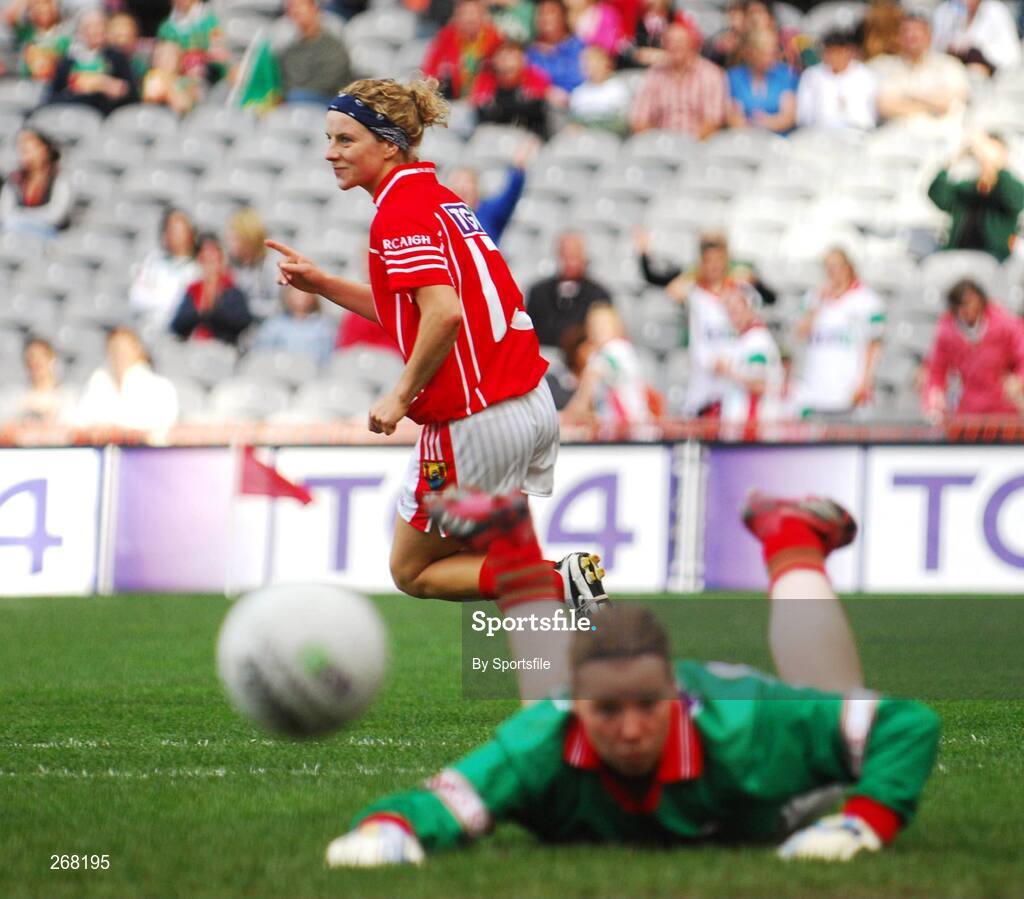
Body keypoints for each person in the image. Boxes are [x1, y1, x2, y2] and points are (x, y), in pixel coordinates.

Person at [324, 486, 940, 867]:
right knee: (539, 729)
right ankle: (514, 545)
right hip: (565, 730)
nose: (630, 729)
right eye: (606, 712)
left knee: (834, 707)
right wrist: (388, 830)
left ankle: (794, 539)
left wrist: (867, 818)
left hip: (778, 783)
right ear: (578, 705)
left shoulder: (750, 725)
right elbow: (438, 807)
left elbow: (906, 723)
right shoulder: (543, 737)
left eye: (650, 705)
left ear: (676, 691)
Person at [264, 77, 607, 617]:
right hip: (528, 402)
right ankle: (571, 670)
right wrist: (324, 283)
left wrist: (399, 398)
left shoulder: (398, 212)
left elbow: (444, 315)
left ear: (389, 144)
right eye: (329, 140)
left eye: (345, 140)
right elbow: (421, 310)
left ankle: (562, 583)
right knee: (499, 559)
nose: (330, 153)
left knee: (413, 570)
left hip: (475, 419)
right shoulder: (443, 200)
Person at [635, 229, 762, 417]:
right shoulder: (694, 291)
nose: (714, 267)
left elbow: (769, 298)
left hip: (736, 379)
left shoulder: (741, 292)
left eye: (719, 261)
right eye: (709, 261)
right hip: (704, 380)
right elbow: (666, 285)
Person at [792, 248, 885, 419]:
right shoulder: (813, 297)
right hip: (816, 388)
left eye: (837, 266)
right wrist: (817, 304)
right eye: (828, 267)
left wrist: (865, 381)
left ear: (848, 267)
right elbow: (799, 333)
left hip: (847, 389)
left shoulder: (867, 300)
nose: (832, 272)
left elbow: (874, 344)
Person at [923, 278, 1024, 419]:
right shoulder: (946, 332)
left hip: (1005, 410)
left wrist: (1019, 380)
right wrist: (935, 395)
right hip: (968, 412)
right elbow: (936, 371)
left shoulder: (1005, 325)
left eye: (971, 302)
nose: (968, 309)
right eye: (962, 305)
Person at [927, 131, 1024, 262]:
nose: (985, 160)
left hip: (993, 261)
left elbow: (1016, 201)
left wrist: (997, 165)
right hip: (958, 259)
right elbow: (937, 194)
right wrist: (955, 159)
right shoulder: (967, 189)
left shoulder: (1010, 187)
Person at [561, 304, 656, 428]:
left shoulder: (616, 349)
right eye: (594, 325)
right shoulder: (598, 355)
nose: (598, 329)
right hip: (615, 425)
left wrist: (566, 418)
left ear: (617, 328)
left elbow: (585, 393)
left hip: (631, 425)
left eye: (605, 325)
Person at [629, 21, 728, 138]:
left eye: (680, 42)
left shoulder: (711, 74)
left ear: (693, 44)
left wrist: (685, 147)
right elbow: (639, 119)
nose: (675, 46)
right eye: (670, 41)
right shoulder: (654, 74)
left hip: (698, 146)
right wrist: (654, 142)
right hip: (661, 143)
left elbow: (713, 121)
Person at [75, 327, 179, 434]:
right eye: (114, 349)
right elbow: (81, 420)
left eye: (125, 348)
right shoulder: (98, 381)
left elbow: (163, 426)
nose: (119, 354)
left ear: (138, 350)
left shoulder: (160, 387)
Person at [871, 11, 968, 125]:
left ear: (929, 36)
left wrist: (908, 99)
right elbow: (885, 106)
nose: (911, 36)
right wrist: (930, 105)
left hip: (941, 129)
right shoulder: (884, 66)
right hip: (897, 131)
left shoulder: (949, 65)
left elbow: (952, 102)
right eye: (905, 31)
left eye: (917, 31)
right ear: (898, 37)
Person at [524, 231, 613, 350]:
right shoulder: (538, 293)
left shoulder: (599, 295)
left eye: (575, 255)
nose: (570, 261)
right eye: (566, 255)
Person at [714, 281, 783, 433]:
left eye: (736, 310)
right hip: (739, 428)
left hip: (751, 429)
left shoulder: (758, 341)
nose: (732, 316)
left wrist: (728, 371)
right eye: (729, 311)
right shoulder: (742, 339)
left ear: (750, 308)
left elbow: (758, 385)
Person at [46, 8, 138, 116]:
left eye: (99, 25)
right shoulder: (69, 61)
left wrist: (104, 84)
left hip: (105, 117)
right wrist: (75, 88)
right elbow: (52, 96)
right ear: (81, 32)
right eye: (89, 27)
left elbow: (131, 94)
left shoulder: (117, 58)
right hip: (70, 113)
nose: (95, 30)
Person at [446, 137, 537, 244]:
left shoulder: (489, 212)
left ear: (476, 189)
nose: (462, 187)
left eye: (467, 182)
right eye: (457, 184)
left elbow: (511, 195)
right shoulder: (443, 218)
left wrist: (518, 168)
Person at [170, 232, 254, 346]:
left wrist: (213, 305)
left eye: (213, 259)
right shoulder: (193, 290)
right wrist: (200, 309)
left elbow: (241, 321)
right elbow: (178, 325)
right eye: (206, 259)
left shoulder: (232, 290)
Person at [129, 207, 200, 332]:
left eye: (180, 230)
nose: (175, 234)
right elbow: (137, 297)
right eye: (171, 229)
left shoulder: (198, 269)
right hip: (148, 329)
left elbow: (181, 306)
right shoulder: (152, 261)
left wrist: (156, 292)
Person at [796, 29, 878, 130]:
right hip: (820, 136)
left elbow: (869, 116)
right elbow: (804, 117)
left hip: (858, 133)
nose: (835, 57)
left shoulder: (866, 75)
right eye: (830, 52)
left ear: (850, 51)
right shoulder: (811, 76)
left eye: (839, 52)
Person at [0, 127, 72, 241]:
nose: (26, 154)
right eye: (23, 149)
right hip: (15, 232)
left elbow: (57, 214)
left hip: (48, 234)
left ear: (45, 148)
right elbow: (5, 212)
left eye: (31, 148)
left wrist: (25, 217)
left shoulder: (59, 178)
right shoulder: (14, 180)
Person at [469, 39, 553, 138]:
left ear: (522, 61)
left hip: (529, 135)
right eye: (502, 57)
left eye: (511, 56)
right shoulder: (486, 80)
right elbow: (475, 102)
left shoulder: (535, 78)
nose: (506, 62)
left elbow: (545, 100)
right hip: (494, 135)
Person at [421, 0, 503, 100]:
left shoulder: (494, 38)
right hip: (452, 98)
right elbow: (431, 67)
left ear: (482, 15)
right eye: (464, 14)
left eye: (473, 13)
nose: (469, 19)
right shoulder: (447, 36)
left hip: (485, 99)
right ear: (457, 17)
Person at [277, 0, 353, 106]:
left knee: (298, 97)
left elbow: (327, 83)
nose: (295, 10)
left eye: (300, 6)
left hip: (330, 102)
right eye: (291, 8)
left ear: (315, 9)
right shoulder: (290, 50)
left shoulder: (334, 46)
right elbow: (284, 81)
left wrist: (295, 93)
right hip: (295, 101)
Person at [252, 284, 336, 367]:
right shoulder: (275, 324)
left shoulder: (323, 325)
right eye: (296, 292)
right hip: (279, 371)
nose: (300, 296)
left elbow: (328, 357)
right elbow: (262, 353)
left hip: (312, 373)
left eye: (304, 293)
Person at [930, 0, 1020, 77]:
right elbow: (936, 46)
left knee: (975, 71)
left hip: (990, 68)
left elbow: (1010, 52)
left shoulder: (996, 11)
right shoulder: (947, 11)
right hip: (954, 67)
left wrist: (975, 46)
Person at [225, 208, 282, 321]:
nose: (230, 243)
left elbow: (277, 307)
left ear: (249, 239)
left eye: (235, 239)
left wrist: (245, 307)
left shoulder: (269, 267)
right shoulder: (228, 266)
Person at [156, 0, 230, 84]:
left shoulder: (210, 21)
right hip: (178, 83)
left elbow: (221, 56)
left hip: (208, 82)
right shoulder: (166, 29)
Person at [7, 337, 77, 424]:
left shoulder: (68, 396)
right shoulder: (18, 398)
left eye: (40, 357)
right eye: (30, 359)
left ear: (51, 359)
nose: (35, 362)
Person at [568, 44, 631, 134]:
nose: (590, 66)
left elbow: (622, 123)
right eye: (586, 62)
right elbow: (573, 123)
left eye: (594, 61)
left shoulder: (619, 89)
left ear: (606, 63)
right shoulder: (578, 93)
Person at [526, 0, 585, 96]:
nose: (545, 18)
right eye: (541, 13)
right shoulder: (531, 53)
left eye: (551, 12)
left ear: (563, 16)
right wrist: (545, 90)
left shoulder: (579, 47)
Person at [7, 0, 70, 83]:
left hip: (52, 84)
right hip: (29, 82)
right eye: (39, 11)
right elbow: (10, 18)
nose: (43, 14)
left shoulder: (63, 35)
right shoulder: (28, 33)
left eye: (47, 11)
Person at [141, 40, 202, 116]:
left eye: (171, 57)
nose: (166, 60)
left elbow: (183, 105)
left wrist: (168, 87)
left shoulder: (185, 81)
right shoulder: (151, 77)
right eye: (161, 56)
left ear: (179, 61)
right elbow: (150, 97)